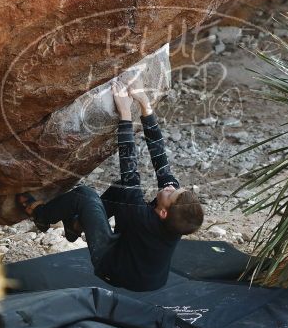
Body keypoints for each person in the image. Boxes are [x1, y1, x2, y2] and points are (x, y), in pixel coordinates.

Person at [18, 76, 204, 292]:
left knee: (84, 195)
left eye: (171, 193)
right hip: (148, 273)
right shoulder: (175, 217)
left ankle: (41, 216)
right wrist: (145, 104)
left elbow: (129, 168)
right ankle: (74, 227)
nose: (170, 187)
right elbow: (160, 158)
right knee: (121, 189)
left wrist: (125, 114)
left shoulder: (141, 216)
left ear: (163, 212)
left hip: (114, 268)